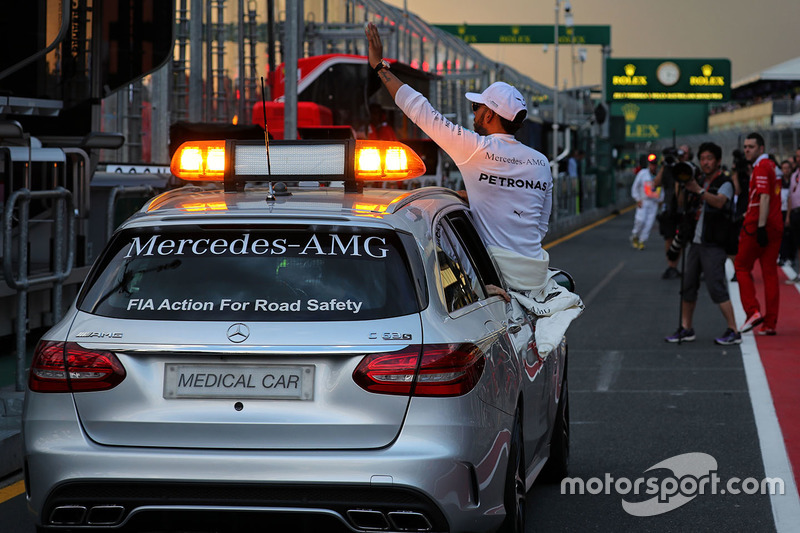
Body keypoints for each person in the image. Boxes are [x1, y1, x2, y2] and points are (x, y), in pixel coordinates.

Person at [364, 22, 552, 296]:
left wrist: (380, 67)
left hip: (494, 283)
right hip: (535, 281)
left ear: (489, 115)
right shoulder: (542, 163)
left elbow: (419, 109)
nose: (474, 113)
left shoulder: (475, 148)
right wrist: (481, 198)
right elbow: (539, 227)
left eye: (477, 107)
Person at [664, 142, 741, 345]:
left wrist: (697, 190)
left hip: (714, 243)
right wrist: (681, 185)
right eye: (703, 159)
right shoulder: (696, 180)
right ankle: (686, 328)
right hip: (696, 243)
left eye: (709, 158)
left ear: (717, 161)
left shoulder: (724, 182)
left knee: (716, 287)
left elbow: (720, 201)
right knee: (688, 286)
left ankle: (734, 330)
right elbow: (681, 205)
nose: (705, 162)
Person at [735, 132, 783, 335]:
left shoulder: (762, 167)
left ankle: (752, 311)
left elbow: (763, 198)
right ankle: (770, 323)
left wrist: (760, 226)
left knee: (741, 266)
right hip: (774, 223)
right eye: (745, 146)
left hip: (758, 225)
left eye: (751, 147)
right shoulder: (773, 166)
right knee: (769, 273)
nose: (747, 150)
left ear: (761, 149)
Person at [655, 144, 693, 279]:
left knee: (682, 238)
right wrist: (665, 165)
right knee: (669, 237)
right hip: (669, 208)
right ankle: (671, 266)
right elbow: (655, 183)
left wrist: (679, 166)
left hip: (682, 208)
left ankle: (679, 264)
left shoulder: (689, 168)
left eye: (684, 154)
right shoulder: (666, 168)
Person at [629, 154, 662, 250]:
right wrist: (637, 199)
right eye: (651, 164)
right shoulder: (643, 174)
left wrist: (660, 201)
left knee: (649, 223)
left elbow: (662, 190)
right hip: (643, 201)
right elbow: (635, 187)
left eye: (655, 165)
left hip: (654, 203)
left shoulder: (659, 175)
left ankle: (642, 241)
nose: (653, 166)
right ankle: (635, 235)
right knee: (640, 220)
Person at [786, 156, 800, 282]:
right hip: (796, 213)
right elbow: (790, 196)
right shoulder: (794, 175)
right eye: (798, 156)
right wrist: (788, 215)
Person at [778, 160, 794, 266]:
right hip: (780, 211)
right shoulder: (779, 182)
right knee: (781, 234)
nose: (786, 170)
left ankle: (790, 257)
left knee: (791, 235)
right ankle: (782, 256)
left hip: (792, 211)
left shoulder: (794, 180)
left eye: (788, 168)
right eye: (784, 168)